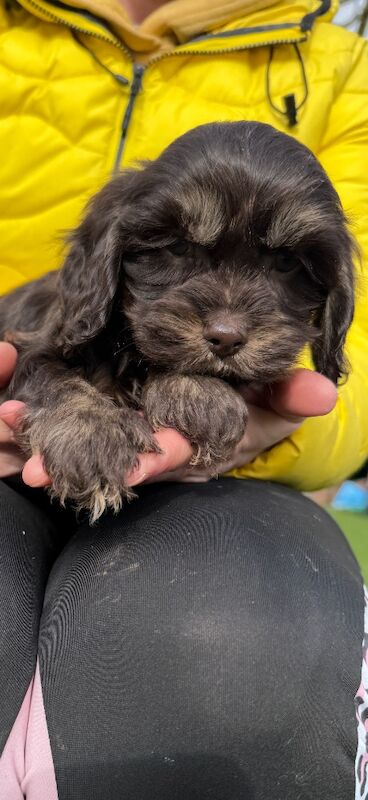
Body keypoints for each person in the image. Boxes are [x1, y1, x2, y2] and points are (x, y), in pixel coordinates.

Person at [0, 0, 367, 797]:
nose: (229, 318)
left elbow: (351, 372)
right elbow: (52, 355)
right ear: (120, 255)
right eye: (173, 254)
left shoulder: (346, 66)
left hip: (239, 498)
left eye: (285, 271)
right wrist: (81, 409)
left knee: (228, 654)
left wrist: (284, 421)